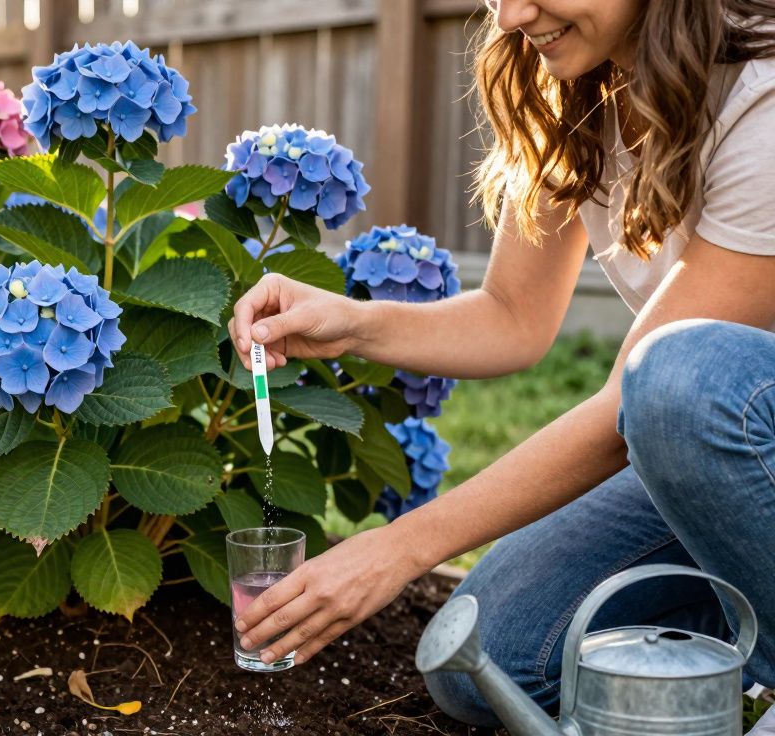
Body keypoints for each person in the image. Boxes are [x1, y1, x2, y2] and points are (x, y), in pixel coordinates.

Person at [228, 0, 775, 730]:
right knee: (494, 663)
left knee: (680, 380)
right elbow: (514, 314)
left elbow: (638, 399)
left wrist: (397, 550)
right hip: (717, 455)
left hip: (722, 413)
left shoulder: (760, 94)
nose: (512, 15)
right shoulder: (575, 82)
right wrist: (352, 323)